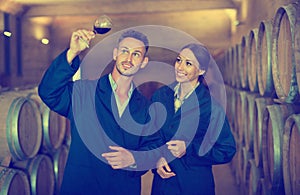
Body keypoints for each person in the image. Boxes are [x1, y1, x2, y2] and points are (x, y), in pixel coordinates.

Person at [38, 29, 162, 194]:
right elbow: (48, 91)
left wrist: (134, 159)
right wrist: (73, 52)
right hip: (83, 187)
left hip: (123, 189)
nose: (129, 58)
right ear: (115, 54)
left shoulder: (146, 108)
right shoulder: (83, 92)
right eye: (124, 51)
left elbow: (153, 146)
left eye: (136, 54)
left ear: (144, 62)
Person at [150, 43, 236, 195]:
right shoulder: (160, 96)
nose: (180, 67)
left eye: (188, 63)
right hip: (163, 184)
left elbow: (226, 150)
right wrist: (156, 159)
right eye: (179, 60)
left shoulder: (210, 106)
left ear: (201, 70)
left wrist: (189, 149)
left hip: (194, 185)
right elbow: (150, 136)